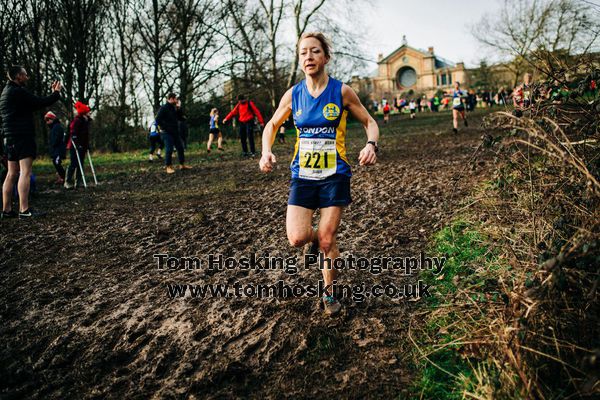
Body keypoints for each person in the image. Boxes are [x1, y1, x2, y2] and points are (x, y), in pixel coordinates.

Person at [259, 32, 379, 316]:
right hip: (303, 176)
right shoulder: (294, 94)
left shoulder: (342, 92)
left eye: (315, 51)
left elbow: (369, 122)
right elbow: (271, 125)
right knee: (297, 238)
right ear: (300, 60)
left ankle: (329, 294)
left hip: (334, 175)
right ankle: (313, 240)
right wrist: (266, 151)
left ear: (325, 57)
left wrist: (371, 144)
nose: (309, 57)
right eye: (303, 53)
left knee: (328, 240)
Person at [1, 65, 61, 219]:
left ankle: (6, 210)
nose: (27, 77)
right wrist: (56, 93)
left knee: (11, 173)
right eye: (25, 74)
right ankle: (24, 209)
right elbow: (39, 102)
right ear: (18, 76)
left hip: (9, 138)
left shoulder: (5, 93)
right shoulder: (18, 92)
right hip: (23, 137)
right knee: (25, 172)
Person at [156, 93, 191, 174]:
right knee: (169, 149)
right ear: (171, 99)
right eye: (175, 99)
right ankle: (168, 167)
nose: (176, 101)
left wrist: (179, 108)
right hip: (166, 133)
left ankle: (182, 165)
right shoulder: (163, 108)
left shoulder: (174, 108)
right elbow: (157, 120)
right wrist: (165, 127)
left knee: (180, 148)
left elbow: (182, 118)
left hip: (175, 132)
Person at [64, 101, 91, 189]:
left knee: (80, 163)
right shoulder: (77, 120)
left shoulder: (86, 121)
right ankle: (67, 181)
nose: (90, 113)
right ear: (84, 112)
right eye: (88, 111)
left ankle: (78, 182)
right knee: (74, 163)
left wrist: (86, 145)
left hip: (82, 146)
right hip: (74, 146)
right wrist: (76, 143)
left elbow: (85, 136)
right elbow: (73, 132)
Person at [45, 111, 66, 184]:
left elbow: (57, 139)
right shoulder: (54, 128)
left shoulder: (57, 127)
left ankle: (64, 178)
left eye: (48, 120)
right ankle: (62, 177)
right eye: (46, 120)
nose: (47, 122)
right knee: (56, 163)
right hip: (55, 150)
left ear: (53, 119)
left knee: (57, 163)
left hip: (58, 150)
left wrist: (52, 144)